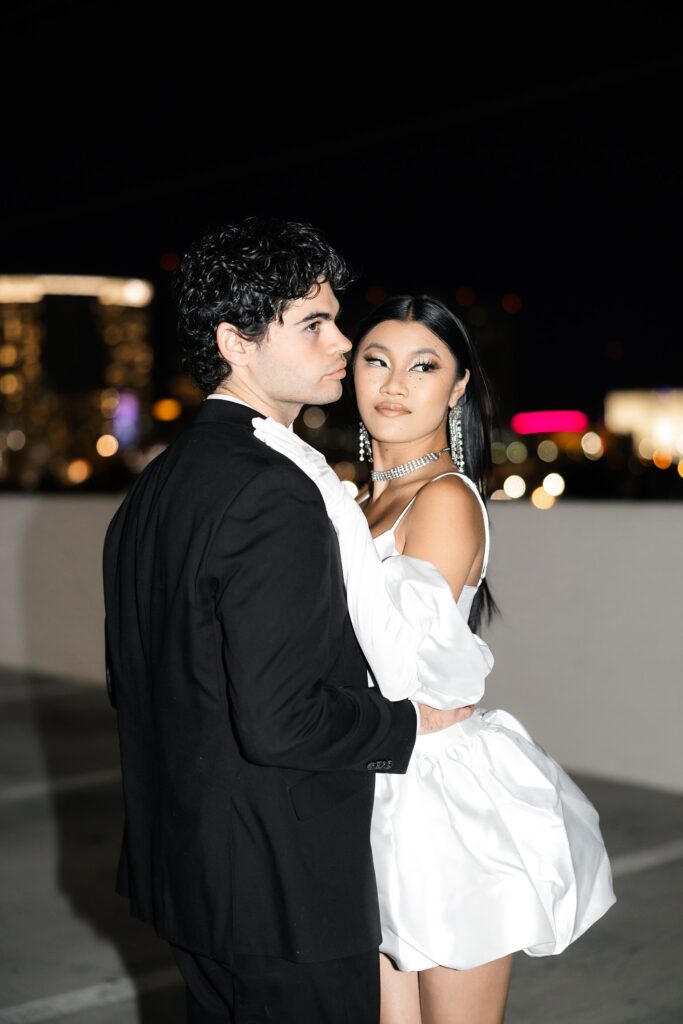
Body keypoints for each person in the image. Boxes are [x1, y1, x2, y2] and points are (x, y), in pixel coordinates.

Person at [101, 218, 482, 1024]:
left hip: (188, 874)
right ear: (236, 341)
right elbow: (282, 718)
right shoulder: (272, 491)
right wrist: (409, 724)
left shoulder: (160, 485)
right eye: (314, 324)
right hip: (280, 888)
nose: (342, 343)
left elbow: (139, 684)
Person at [252, 293, 617, 1024]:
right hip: (361, 776)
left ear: (455, 389)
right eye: (375, 362)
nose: (393, 384)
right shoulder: (359, 502)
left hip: (435, 800)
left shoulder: (443, 497)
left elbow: (396, 660)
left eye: (423, 367)